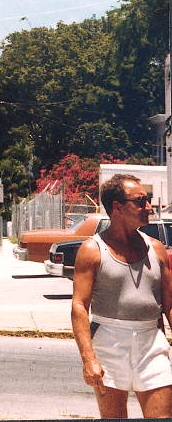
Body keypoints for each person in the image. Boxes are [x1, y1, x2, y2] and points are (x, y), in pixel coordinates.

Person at [72, 173, 172, 418]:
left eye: (147, 200)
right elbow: (79, 307)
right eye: (140, 201)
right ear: (117, 207)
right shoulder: (92, 250)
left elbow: (169, 304)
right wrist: (88, 359)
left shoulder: (156, 248)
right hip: (108, 341)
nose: (148, 207)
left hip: (152, 341)